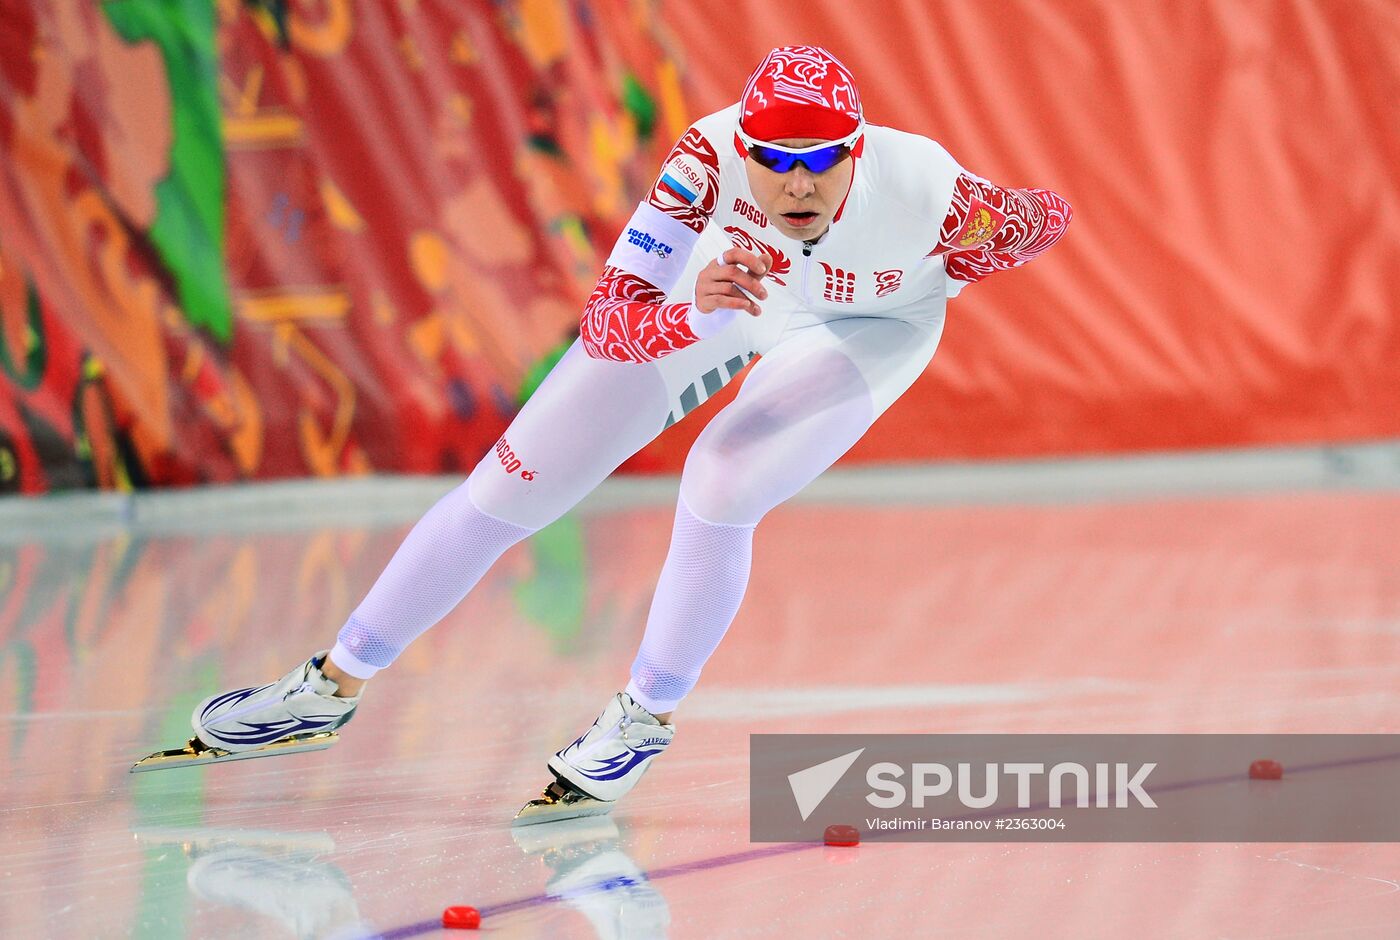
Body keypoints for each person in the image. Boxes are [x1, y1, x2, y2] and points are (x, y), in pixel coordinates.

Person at [165, 46, 1072, 822]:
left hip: (868, 328)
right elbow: (608, 320)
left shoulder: (930, 190)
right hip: (726, 300)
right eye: (774, 160)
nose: (799, 184)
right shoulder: (704, 161)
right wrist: (692, 318)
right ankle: (331, 685)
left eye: (824, 161)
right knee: (511, 483)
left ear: (857, 151)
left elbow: (1045, 218)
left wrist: (965, 261)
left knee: (720, 478)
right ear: (742, 146)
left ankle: (643, 714)